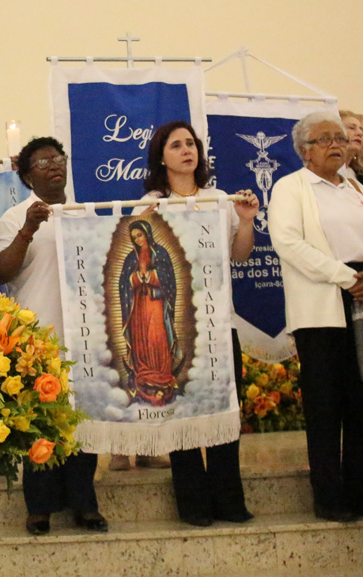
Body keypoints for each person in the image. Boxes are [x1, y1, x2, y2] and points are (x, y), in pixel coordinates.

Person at [129, 120, 259, 525]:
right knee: (182, 411)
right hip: (173, 325)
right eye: (176, 145)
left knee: (225, 412)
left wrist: (246, 220)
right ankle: (194, 505)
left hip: (221, 323)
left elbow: (238, 257)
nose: (186, 151)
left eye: (191, 144)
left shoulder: (219, 199)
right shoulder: (149, 204)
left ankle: (229, 500)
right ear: (161, 157)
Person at [268, 111, 363, 522]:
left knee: (362, 401)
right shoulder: (292, 188)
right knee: (325, 406)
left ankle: (362, 495)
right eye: (325, 139)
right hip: (323, 309)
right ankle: (329, 498)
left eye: (340, 137)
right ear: (304, 151)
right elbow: (288, 243)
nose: (337, 144)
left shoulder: (356, 187)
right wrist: (347, 277)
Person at [0, 136, 108, 535]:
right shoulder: (13, 217)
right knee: (38, 422)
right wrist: (27, 230)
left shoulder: (86, 213)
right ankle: (39, 506)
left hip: (85, 333)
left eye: (58, 159)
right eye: (42, 163)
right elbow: (1, 272)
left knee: (82, 420)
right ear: (26, 176)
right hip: (36, 334)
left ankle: (84, 502)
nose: (54, 165)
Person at [119, 220, 181, 406]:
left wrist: (153, 277)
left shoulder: (160, 253)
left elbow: (169, 280)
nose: (138, 240)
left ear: (147, 233)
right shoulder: (131, 257)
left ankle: (162, 377)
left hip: (156, 304)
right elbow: (123, 282)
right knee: (140, 340)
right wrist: (136, 278)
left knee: (156, 337)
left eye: (140, 235)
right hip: (138, 307)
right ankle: (144, 378)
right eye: (134, 237)